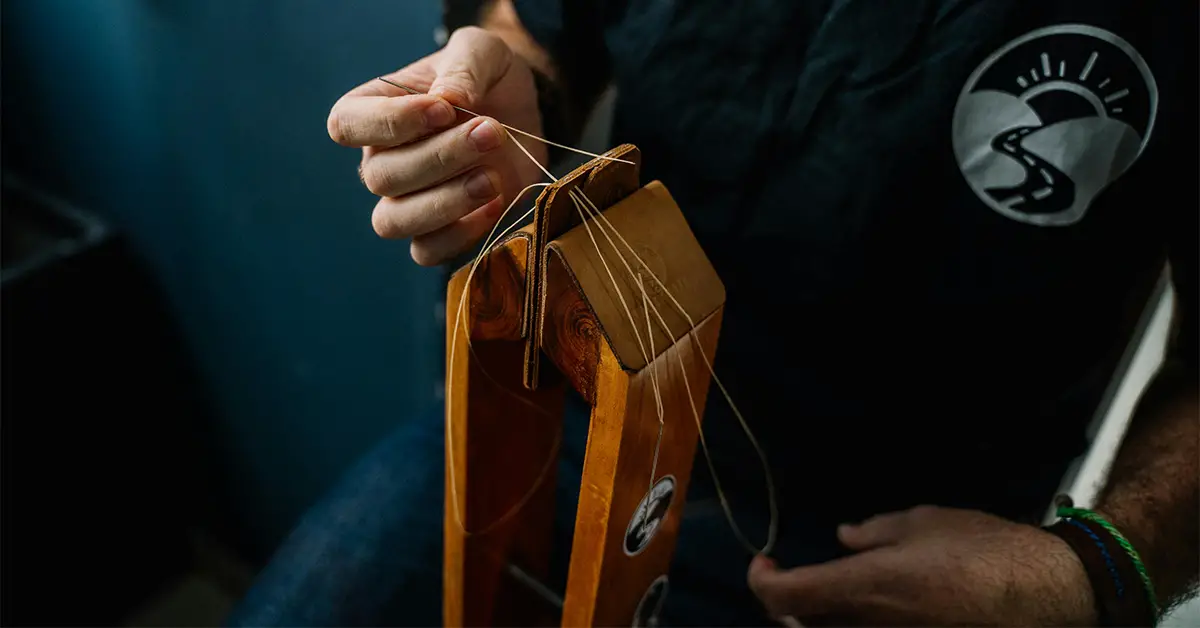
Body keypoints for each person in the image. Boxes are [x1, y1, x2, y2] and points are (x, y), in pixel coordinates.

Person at [229, 1, 1198, 625]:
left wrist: (1097, 572)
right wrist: (510, 89)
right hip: (567, 410)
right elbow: (536, 24)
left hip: (892, 555)